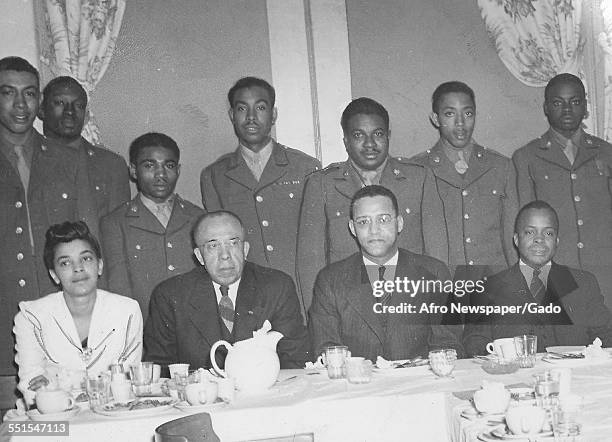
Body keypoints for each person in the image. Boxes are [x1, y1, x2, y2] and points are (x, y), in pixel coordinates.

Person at [297, 97, 439, 317]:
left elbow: (436, 255)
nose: (370, 143)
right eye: (358, 135)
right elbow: (310, 264)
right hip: (348, 309)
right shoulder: (322, 184)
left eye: (378, 134)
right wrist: (319, 319)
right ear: (345, 141)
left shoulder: (418, 178)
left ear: (388, 136)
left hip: (411, 305)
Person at [309, 185, 463, 361]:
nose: (374, 230)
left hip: (419, 383)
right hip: (357, 385)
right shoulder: (330, 280)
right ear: (352, 228)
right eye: (363, 222)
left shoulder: (434, 272)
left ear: (399, 223)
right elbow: (327, 349)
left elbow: (448, 345)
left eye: (383, 219)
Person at [144, 211, 310, 373]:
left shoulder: (276, 286)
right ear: (199, 256)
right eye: (213, 245)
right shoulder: (171, 295)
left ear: (245, 250)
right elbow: (161, 370)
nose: (225, 255)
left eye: (233, 243)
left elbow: (295, 360)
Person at [0, 57, 80, 376]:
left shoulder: (67, 160)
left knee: (67, 420)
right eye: (8, 92)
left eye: (30, 93)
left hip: (60, 318)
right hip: (4, 315)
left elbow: (84, 244)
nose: (21, 104)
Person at [200, 77, 320, 289]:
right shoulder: (215, 176)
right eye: (242, 109)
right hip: (249, 293)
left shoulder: (306, 168)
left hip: (300, 290)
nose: (251, 117)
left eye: (261, 108)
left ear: (273, 115)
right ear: (232, 116)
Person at [13, 221, 142, 405]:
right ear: (54, 274)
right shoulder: (31, 317)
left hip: (113, 413)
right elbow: (33, 390)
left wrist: (56, 381)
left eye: (86, 258)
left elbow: (128, 381)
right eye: (65, 263)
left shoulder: (127, 311)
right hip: (54, 419)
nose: (78, 268)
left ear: (99, 266)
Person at [513, 73, 612, 309]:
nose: (567, 109)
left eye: (575, 102)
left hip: (606, 272)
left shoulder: (607, 153)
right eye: (558, 103)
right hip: (558, 277)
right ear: (546, 108)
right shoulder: (526, 157)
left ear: (586, 107)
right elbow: (524, 229)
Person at [463, 201, 612, 356]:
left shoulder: (583, 283)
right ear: (516, 239)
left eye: (548, 233)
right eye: (530, 232)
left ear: (557, 241)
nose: (539, 239)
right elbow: (474, 343)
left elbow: (606, 335)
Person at [411, 81, 517, 279]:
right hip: (445, 291)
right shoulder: (418, 169)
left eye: (468, 114)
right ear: (435, 118)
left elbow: (512, 238)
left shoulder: (501, 167)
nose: (460, 123)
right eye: (450, 114)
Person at [100, 132, 204, 321]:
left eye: (169, 165)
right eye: (149, 165)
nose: (161, 174)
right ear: (133, 170)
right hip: (146, 332)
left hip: (195, 329)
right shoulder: (116, 223)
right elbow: (119, 290)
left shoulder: (198, 217)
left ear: (178, 170)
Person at [39, 76, 130, 242]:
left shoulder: (111, 165)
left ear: (86, 116)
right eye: (59, 103)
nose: (70, 111)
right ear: (41, 110)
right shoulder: (28, 160)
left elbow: (120, 237)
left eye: (78, 105)